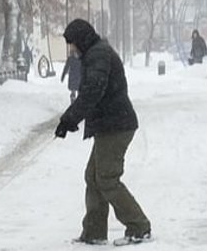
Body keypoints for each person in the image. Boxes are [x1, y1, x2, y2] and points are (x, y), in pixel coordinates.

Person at [54, 19, 151, 246]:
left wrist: (69, 119)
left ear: (82, 40)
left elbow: (92, 93)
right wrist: (70, 119)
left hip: (116, 125)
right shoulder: (95, 53)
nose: (72, 49)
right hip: (110, 124)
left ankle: (139, 226)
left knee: (106, 178)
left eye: (73, 43)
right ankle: (94, 232)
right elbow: (92, 94)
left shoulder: (98, 55)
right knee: (93, 177)